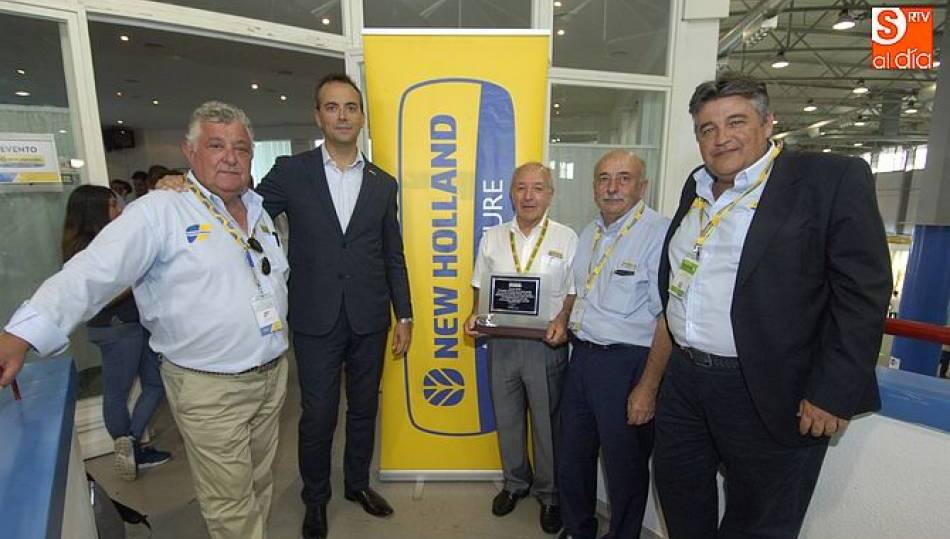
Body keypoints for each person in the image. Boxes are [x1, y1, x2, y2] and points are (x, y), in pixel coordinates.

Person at [0, 101, 290, 539]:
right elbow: (91, 273)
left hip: (270, 376)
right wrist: (20, 334)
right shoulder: (160, 212)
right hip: (210, 387)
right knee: (230, 500)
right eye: (216, 145)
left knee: (258, 482)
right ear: (190, 153)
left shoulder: (260, 211)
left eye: (241, 148)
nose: (231, 156)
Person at [654, 72, 891, 539]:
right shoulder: (696, 186)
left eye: (736, 122)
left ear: (768, 123)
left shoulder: (829, 180)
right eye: (707, 128)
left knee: (761, 520)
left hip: (767, 386)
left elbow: (862, 293)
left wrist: (833, 391)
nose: (721, 138)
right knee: (680, 497)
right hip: (685, 381)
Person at [256, 73, 412, 539]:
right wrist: (188, 189)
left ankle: (357, 485)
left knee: (364, 409)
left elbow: (392, 253)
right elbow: (241, 209)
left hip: (369, 316)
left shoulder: (383, 184)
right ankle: (316, 499)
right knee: (319, 414)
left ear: (362, 116)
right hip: (314, 318)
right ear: (317, 116)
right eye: (332, 107)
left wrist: (403, 314)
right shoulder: (291, 171)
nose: (342, 115)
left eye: (350, 107)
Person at [557, 150, 671, 539]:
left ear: (643, 186)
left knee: (626, 466)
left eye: (623, 178)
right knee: (573, 457)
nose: (612, 187)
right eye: (604, 178)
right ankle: (578, 529)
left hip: (628, 365)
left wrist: (648, 387)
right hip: (582, 357)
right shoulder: (589, 233)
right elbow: (580, 292)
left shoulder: (660, 234)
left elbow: (667, 318)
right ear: (593, 187)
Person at [462, 162, 577, 534]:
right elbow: (480, 285)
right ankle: (515, 483)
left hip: (546, 345)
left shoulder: (566, 237)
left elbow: (574, 293)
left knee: (547, 422)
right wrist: (473, 316)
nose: (528, 196)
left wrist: (564, 320)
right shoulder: (492, 236)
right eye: (521, 188)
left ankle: (549, 493)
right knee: (508, 419)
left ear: (550, 194)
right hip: (501, 343)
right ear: (511, 193)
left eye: (537, 188)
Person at [62, 185, 170, 481]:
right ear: (95, 210)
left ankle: (131, 443)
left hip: (126, 326)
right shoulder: (88, 249)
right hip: (118, 327)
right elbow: (98, 294)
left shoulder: (98, 241)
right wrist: (134, 279)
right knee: (118, 393)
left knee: (155, 383)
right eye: (112, 205)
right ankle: (130, 446)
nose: (119, 210)